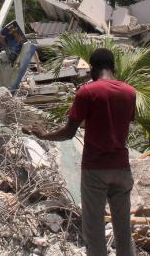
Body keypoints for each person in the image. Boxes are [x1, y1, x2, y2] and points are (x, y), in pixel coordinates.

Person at [23, 49, 136, 256]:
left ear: (92, 68)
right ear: (113, 67)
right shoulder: (130, 92)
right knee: (123, 228)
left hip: (95, 169)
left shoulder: (87, 92)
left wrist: (44, 135)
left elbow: (68, 133)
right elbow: (121, 122)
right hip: (122, 168)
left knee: (94, 230)